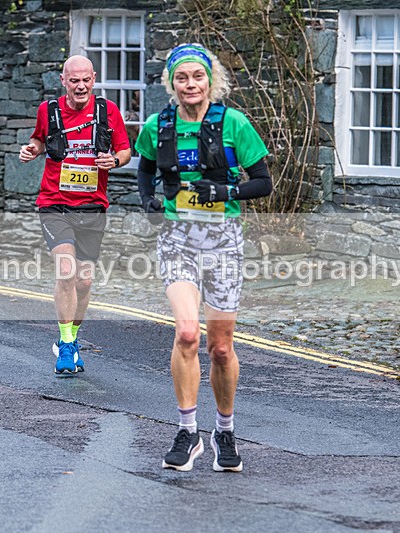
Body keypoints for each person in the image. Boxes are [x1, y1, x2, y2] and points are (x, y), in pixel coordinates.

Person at [135, 44, 272, 472]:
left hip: (224, 243)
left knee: (221, 348)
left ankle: (225, 432)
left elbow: (263, 183)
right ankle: (187, 430)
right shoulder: (159, 125)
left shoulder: (234, 124)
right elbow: (143, 167)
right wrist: (148, 200)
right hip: (177, 240)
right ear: (171, 83)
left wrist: (225, 191)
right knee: (188, 334)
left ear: (210, 80)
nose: (190, 85)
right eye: (181, 78)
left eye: (197, 77)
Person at [20, 55, 131, 376]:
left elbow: (125, 150)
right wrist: (31, 149)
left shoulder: (108, 112)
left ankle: (71, 337)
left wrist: (116, 161)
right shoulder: (49, 111)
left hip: (92, 206)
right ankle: (66, 345)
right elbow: (40, 139)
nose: (80, 86)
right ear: (63, 80)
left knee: (84, 281)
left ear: (93, 79)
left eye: (85, 80)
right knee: (66, 271)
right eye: (74, 80)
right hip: (54, 203)